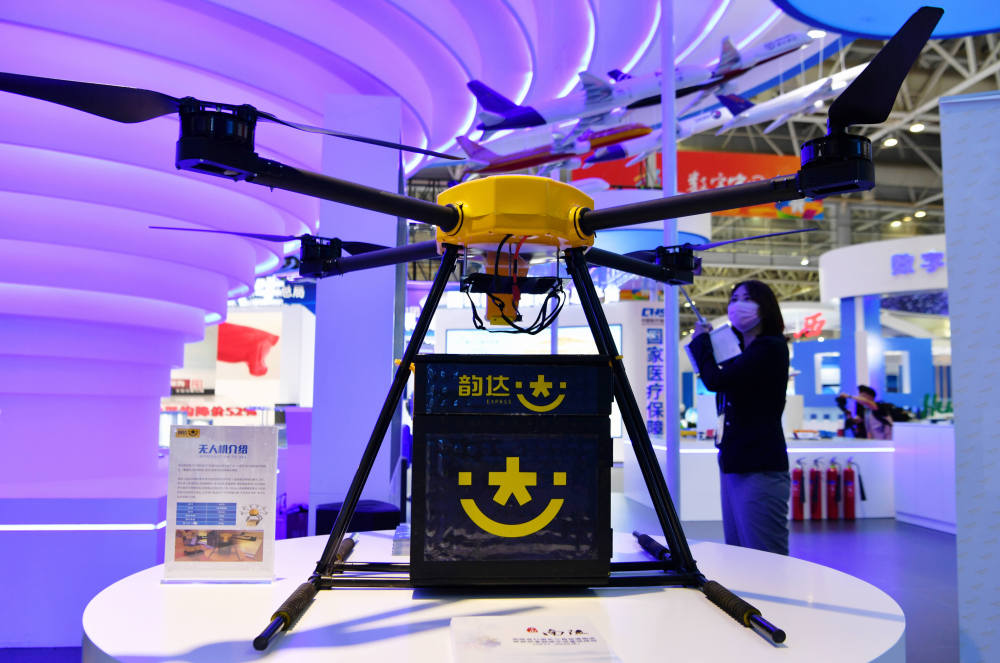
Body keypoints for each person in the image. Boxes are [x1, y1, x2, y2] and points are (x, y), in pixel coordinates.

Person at [687, 280, 790, 555]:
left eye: (746, 299)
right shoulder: (744, 352)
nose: (737, 306)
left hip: (759, 465)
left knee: (764, 554)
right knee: (738, 552)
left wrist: (701, 343)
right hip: (735, 460)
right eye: (733, 299)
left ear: (764, 306)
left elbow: (715, 380)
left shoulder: (770, 347)